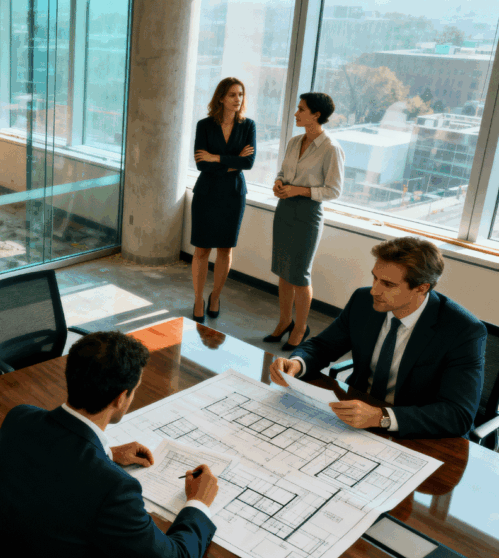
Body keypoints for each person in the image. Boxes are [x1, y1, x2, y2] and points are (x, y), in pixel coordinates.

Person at [0, 331, 219, 558]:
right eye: (133, 391)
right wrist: (198, 502)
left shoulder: (19, 418)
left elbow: (55, 467)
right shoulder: (113, 488)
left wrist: (107, 454)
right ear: (120, 398)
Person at [270, 236, 485, 439]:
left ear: (422, 288)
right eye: (375, 277)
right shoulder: (362, 301)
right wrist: (297, 364)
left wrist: (380, 417)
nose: (374, 290)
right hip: (356, 416)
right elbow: (322, 346)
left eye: (388, 284)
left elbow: (458, 414)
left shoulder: (463, 331)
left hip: (416, 431)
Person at [266, 92, 345, 351]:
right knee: (283, 270)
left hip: (308, 214)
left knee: (299, 274)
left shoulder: (331, 148)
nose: (296, 113)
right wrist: (279, 182)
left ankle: (300, 328)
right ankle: (284, 322)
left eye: (301, 109)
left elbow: (333, 190)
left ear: (316, 114)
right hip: (285, 209)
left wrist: (299, 191)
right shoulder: (294, 141)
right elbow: (283, 171)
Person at [191, 77, 256, 322]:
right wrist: (232, 161)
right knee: (202, 249)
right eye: (232, 95)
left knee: (225, 249)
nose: (237, 99)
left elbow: (248, 163)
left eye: (240, 94)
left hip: (233, 195)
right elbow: (200, 163)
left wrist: (216, 158)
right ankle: (198, 298)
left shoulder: (248, 126)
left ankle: (215, 296)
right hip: (207, 192)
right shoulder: (204, 125)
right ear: (221, 97)